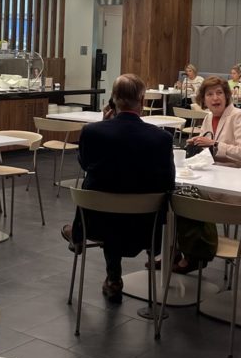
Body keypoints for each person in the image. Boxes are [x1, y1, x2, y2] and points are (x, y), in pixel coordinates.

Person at [61, 74, 175, 303]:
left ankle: (82, 238)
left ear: (113, 100)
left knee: (96, 187)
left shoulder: (92, 132)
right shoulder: (161, 139)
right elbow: (168, 183)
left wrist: (103, 123)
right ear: (142, 100)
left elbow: (85, 164)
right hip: (145, 226)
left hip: (97, 222)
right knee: (123, 202)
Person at [177, 76, 241, 272]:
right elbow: (207, 156)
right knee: (174, 198)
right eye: (209, 94)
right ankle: (182, 252)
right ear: (203, 100)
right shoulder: (207, 118)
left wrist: (215, 145)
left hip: (232, 187)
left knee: (184, 201)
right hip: (210, 180)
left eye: (219, 93)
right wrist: (197, 145)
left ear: (227, 95)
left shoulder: (238, 116)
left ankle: (195, 254)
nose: (215, 98)